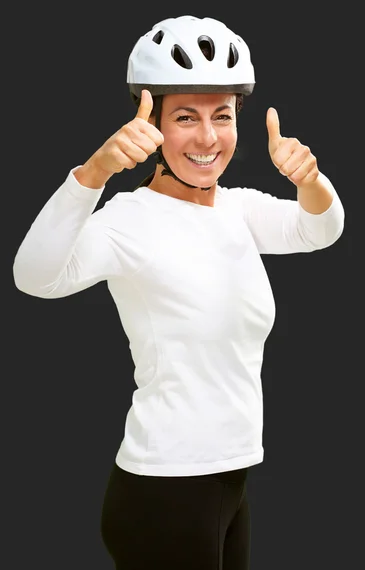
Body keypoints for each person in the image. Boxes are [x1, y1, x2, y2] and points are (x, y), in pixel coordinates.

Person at [12, 14, 344, 570]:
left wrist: (310, 180)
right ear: (151, 123)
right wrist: (95, 172)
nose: (209, 138)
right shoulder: (130, 219)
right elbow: (34, 277)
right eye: (186, 117)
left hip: (230, 476)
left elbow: (322, 229)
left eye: (223, 115)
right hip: (165, 488)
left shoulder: (238, 208)